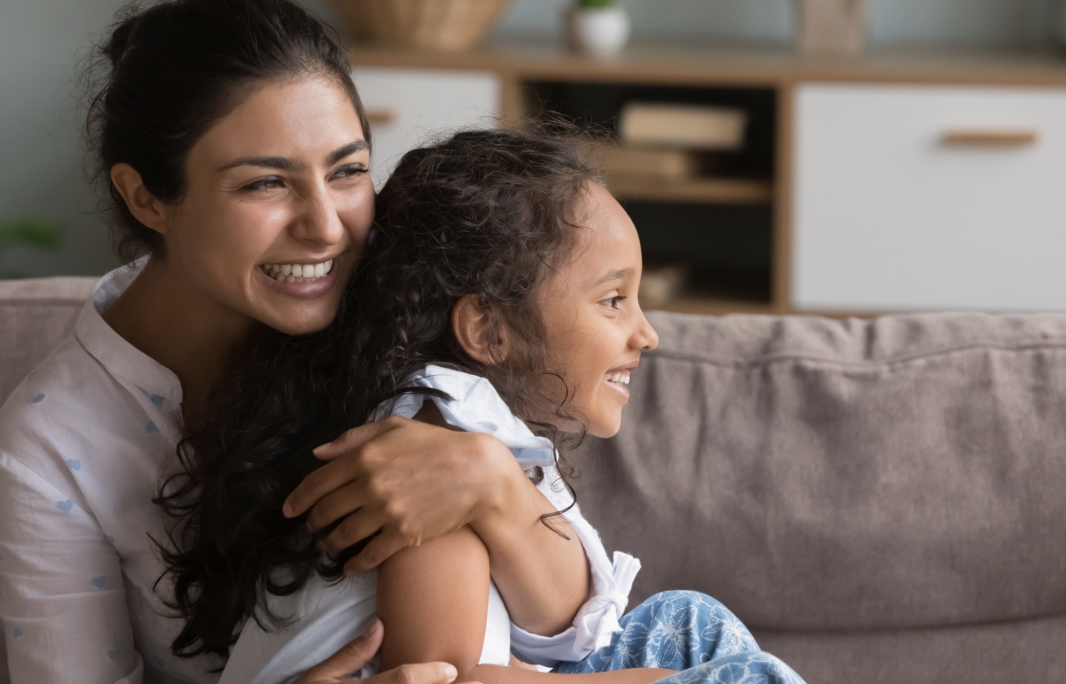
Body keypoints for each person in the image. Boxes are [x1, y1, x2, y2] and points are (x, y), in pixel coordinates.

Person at [0, 2, 601, 682]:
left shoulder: (397, 309)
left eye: (347, 170)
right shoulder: (50, 443)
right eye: (266, 182)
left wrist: (495, 489)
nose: (327, 228)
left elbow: (579, 625)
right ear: (146, 198)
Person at [165, 129, 807, 684]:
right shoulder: (421, 463)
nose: (647, 334)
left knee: (690, 622)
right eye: (613, 301)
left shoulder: (470, 440)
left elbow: (560, 614)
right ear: (490, 331)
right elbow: (438, 679)